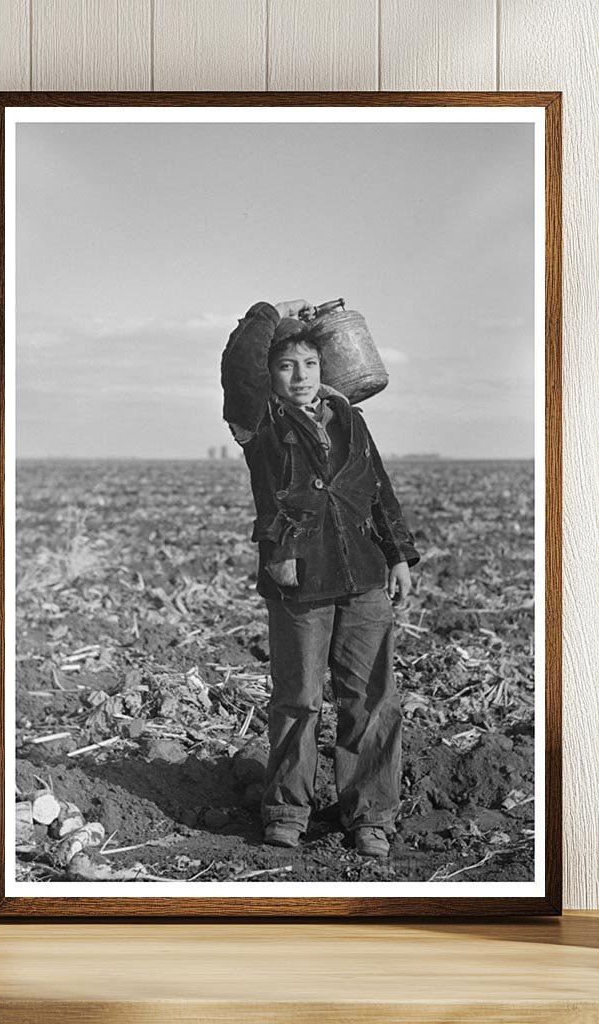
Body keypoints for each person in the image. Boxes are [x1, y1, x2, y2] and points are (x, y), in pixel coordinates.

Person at [221, 299, 421, 859]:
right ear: (271, 375)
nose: (300, 376)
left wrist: (398, 556)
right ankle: (287, 812)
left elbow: (377, 490)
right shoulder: (258, 423)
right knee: (298, 700)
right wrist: (270, 311)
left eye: (310, 364)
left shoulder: (350, 419)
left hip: (364, 575)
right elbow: (239, 368)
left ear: (324, 367)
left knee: (373, 701)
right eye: (286, 366)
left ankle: (371, 817)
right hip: (299, 579)